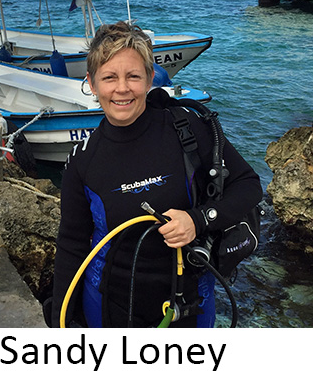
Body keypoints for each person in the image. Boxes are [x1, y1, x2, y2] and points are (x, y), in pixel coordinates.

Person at [51, 21, 262, 328]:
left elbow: (248, 186)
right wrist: (60, 319)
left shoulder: (188, 130)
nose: (122, 88)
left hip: (189, 300)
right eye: (109, 77)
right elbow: (72, 244)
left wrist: (198, 220)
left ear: (150, 79)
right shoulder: (82, 159)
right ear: (92, 84)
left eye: (133, 76)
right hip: (108, 304)